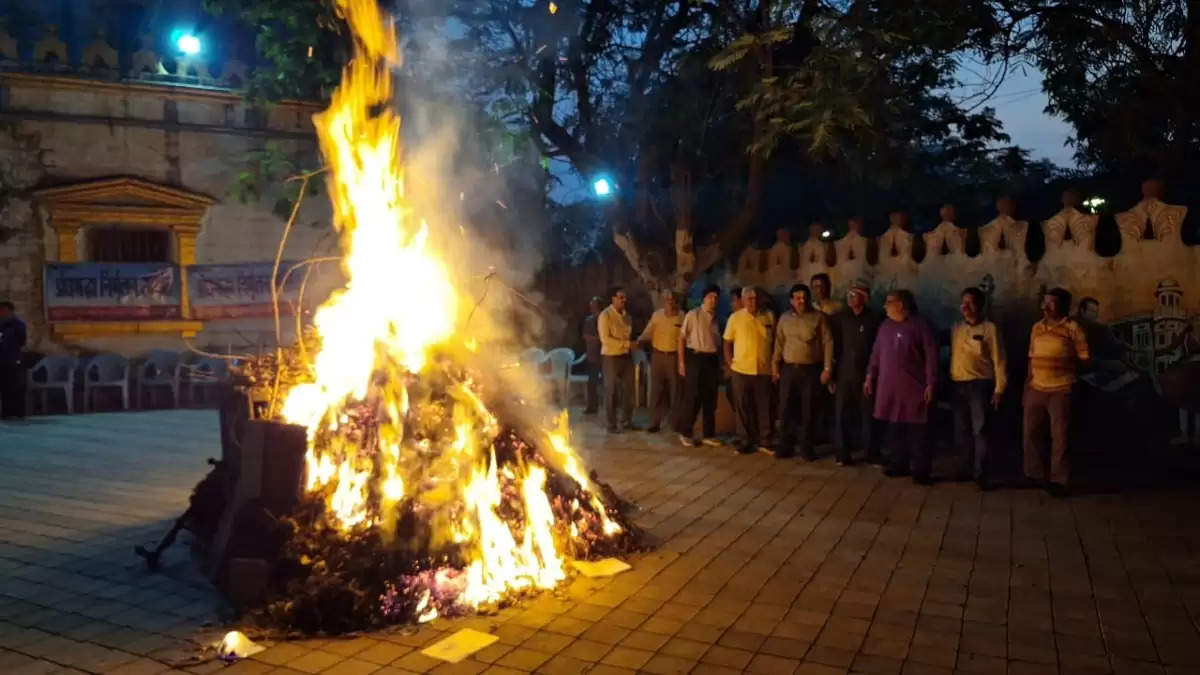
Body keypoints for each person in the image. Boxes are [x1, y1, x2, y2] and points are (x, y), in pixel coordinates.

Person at [865, 290, 938, 485]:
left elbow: (931, 355)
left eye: (889, 302)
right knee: (894, 427)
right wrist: (870, 376)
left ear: (901, 305)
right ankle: (899, 464)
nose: (885, 306)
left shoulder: (921, 325)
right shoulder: (885, 326)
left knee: (918, 431)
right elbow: (876, 353)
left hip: (914, 387)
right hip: (889, 386)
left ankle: (921, 470)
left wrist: (931, 382)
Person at [1024, 287, 1090, 497]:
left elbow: (1085, 358)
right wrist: (1027, 386)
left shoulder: (1073, 328)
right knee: (1030, 434)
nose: (1046, 306)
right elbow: (1031, 359)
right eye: (1045, 302)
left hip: (1061, 389)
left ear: (1063, 305)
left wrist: (1065, 366)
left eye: (1051, 302)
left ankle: (1059, 480)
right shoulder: (1036, 327)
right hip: (1036, 388)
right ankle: (1034, 475)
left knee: (1060, 437)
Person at [949, 287, 1007, 488]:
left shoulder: (990, 329)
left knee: (980, 430)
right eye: (963, 302)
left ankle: (981, 471)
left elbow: (999, 360)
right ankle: (965, 468)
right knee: (961, 429)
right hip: (958, 384)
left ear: (980, 306)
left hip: (980, 385)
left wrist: (1000, 389)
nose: (965, 306)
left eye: (970, 302)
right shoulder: (956, 328)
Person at [772, 284, 833, 459]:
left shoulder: (818, 317)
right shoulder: (784, 318)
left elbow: (828, 342)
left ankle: (807, 447)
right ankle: (785, 445)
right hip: (789, 370)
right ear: (791, 300)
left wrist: (827, 368)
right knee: (785, 408)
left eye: (804, 297)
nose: (801, 301)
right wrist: (775, 365)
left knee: (809, 409)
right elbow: (778, 343)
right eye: (797, 298)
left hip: (811, 371)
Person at [832, 283, 881, 466]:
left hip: (866, 375)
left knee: (868, 416)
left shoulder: (874, 319)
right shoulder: (840, 318)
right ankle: (843, 454)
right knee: (842, 415)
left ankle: (871, 453)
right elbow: (834, 347)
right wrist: (833, 374)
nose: (851, 297)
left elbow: (878, 349)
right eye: (849, 294)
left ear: (865, 297)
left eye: (855, 294)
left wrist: (873, 374)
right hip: (844, 374)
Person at [723, 286, 775, 454]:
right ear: (743, 301)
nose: (753, 302)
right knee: (743, 407)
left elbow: (775, 342)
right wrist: (730, 364)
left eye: (755, 298)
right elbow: (727, 342)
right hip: (741, 369)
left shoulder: (769, 316)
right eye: (749, 299)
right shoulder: (735, 318)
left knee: (764, 406)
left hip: (763, 369)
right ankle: (745, 440)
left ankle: (765, 440)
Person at [677, 285, 723, 447]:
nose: (713, 300)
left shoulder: (716, 318)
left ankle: (709, 434)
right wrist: (681, 362)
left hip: (711, 359)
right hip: (696, 358)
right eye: (710, 297)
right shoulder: (693, 314)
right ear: (704, 298)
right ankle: (685, 432)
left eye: (716, 297)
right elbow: (681, 338)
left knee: (710, 398)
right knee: (693, 397)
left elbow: (718, 342)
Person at [638, 290, 684, 432]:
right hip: (658, 357)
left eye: (672, 299)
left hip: (674, 357)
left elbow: (686, 337)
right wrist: (639, 341)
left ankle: (674, 423)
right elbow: (647, 332)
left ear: (676, 301)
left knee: (675, 391)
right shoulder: (657, 316)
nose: (669, 302)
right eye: (667, 299)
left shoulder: (682, 316)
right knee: (656, 391)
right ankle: (654, 423)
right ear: (663, 301)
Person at [597, 286, 636, 433]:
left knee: (630, 390)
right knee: (611, 391)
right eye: (620, 297)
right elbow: (605, 339)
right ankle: (611, 424)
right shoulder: (605, 316)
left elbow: (628, 336)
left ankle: (627, 421)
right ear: (613, 299)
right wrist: (626, 344)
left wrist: (631, 345)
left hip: (626, 357)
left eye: (624, 297)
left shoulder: (628, 317)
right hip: (611, 358)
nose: (624, 300)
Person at [0, 301, 27, 420]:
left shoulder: (18, 325)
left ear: (10, 311)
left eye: (4, 310)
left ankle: (19, 413)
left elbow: (22, 341)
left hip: (14, 359)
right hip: (2, 361)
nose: (2, 313)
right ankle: (6, 413)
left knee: (16, 386)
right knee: (5, 387)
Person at [581, 297, 603, 414]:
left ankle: (611, 407)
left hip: (604, 354)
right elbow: (585, 336)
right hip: (592, 355)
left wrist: (600, 339)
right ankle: (592, 407)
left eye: (593, 304)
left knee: (607, 383)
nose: (590, 305)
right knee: (591, 382)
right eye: (591, 303)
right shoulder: (588, 320)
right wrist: (597, 338)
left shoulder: (605, 319)